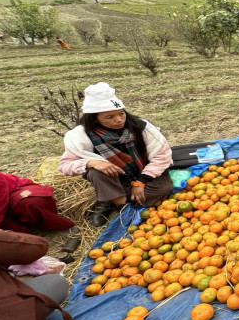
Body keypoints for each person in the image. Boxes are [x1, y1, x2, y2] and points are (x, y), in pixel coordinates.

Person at [58, 82, 173, 227]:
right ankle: (115, 201)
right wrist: (91, 162)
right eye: (109, 117)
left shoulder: (141, 127)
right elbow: (65, 166)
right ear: (95, 118)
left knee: (163, 189)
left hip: (144, 171)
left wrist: (141, 181)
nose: (119, 120)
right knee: (95, 172)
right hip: (115, 178)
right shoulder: (81, 136)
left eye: (121, 113)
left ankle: (109, 198)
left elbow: (162, 155)